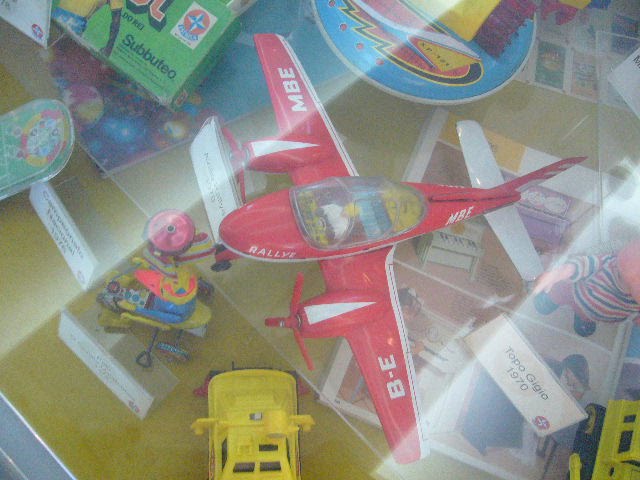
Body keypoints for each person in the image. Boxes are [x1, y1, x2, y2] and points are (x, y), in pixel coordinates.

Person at [532, 239, 640, 336]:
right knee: (559, 293)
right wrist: (559, 273)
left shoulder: (636, 303)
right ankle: (549, 301)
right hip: (575, 293)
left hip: (594, 313)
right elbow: (580, 265)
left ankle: (583, 319)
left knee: (585, 317)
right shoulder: (607, 264)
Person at [52, 0, 123, 57]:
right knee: (53, 56)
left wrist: (108, 48)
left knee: (56, 55)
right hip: (64, 18)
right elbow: (116, 22)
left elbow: (116, 22)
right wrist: (109, 48)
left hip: (73, 24)